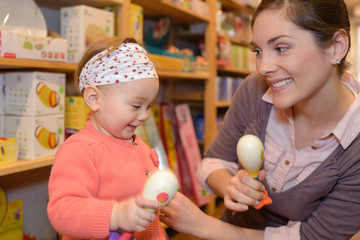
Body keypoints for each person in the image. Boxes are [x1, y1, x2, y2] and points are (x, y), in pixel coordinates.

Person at [160, 0, 360, 239]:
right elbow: (214, 162)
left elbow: (313, 237)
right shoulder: (254, 90)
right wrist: (232, 187)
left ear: (336, 47)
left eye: (281, 48)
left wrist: (203, 226)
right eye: (258, 51)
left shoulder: (354, 148)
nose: (263, 67)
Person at [47, 37, 167, 240]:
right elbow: (62, 210)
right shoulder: (80, 150)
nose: (145, 115)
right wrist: (115, 215)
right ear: (94, 99)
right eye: (136, 106)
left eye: (149, 106)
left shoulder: (137, 143)